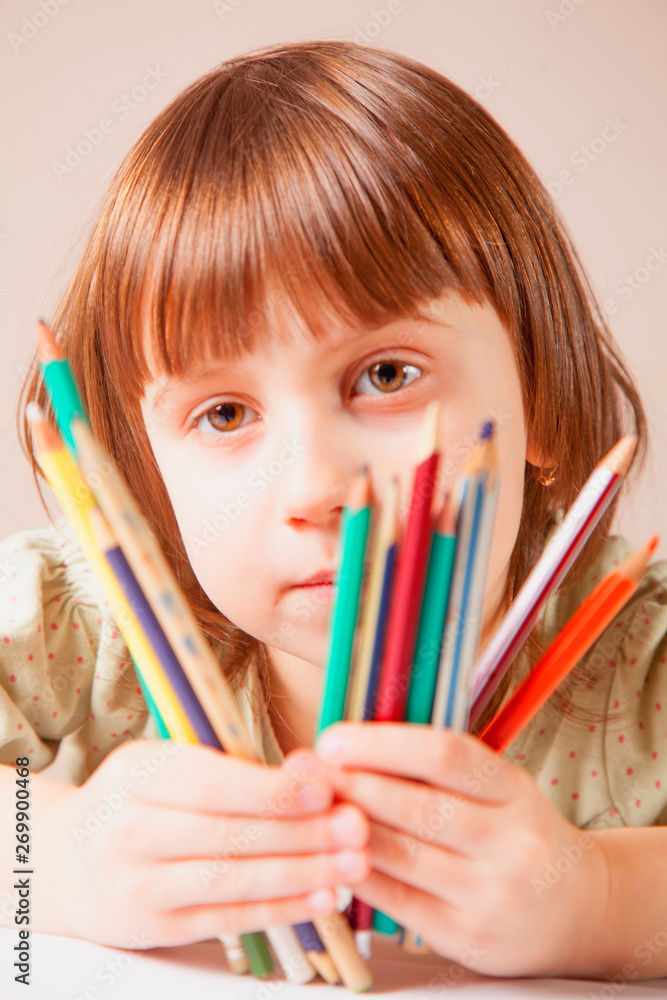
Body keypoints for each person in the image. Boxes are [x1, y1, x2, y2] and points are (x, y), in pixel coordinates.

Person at [1, 39, 666, 981]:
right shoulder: (88, 625)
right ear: (143, 475)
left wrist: (600, 896)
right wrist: (51, 855)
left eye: (386, 376)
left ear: (543, 405)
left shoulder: (637, 672)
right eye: (224, 413)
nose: (316, 488)